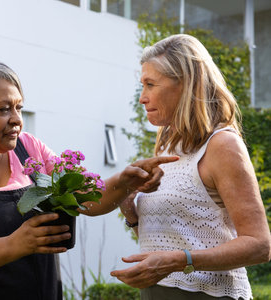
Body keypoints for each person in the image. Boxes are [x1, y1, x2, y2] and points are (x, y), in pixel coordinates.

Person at [0, 61, 178, 300]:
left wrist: (124, 181)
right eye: (3, 110)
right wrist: (13, 245)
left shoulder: (29, 150)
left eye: (19, 108)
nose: (17, 120)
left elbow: (87, 200)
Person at [111, 34, 271, 300]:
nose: (142, 98)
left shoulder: (222, 145)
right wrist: (131, 211)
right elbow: (169, 240)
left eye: (151, 84)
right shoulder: (166, 144)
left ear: (186, 85)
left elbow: (260, 246)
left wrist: (181, 261)